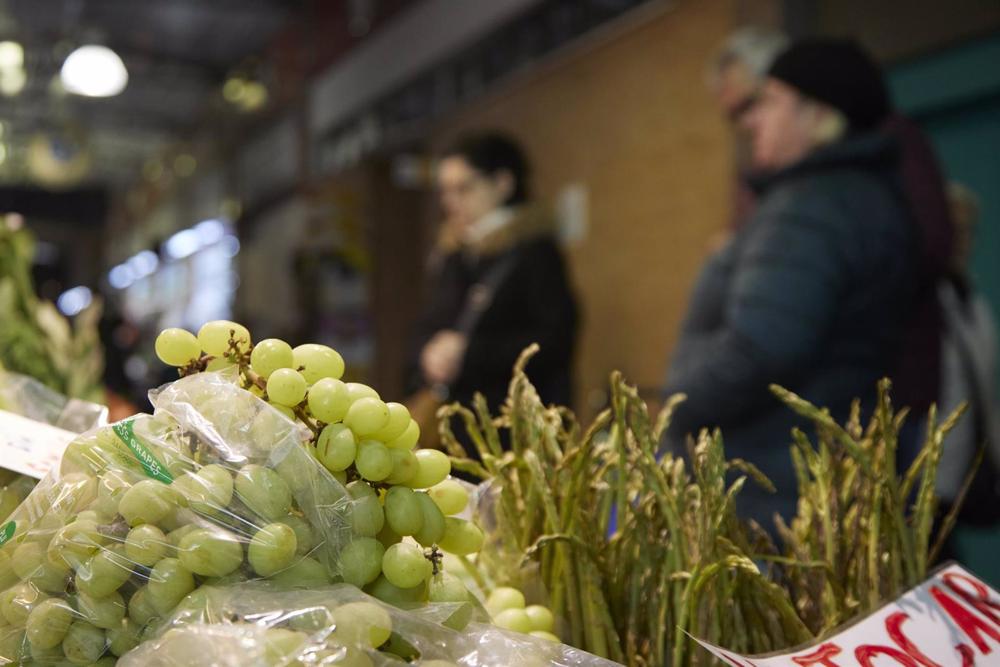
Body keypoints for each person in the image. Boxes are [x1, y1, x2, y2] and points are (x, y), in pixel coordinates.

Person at [662, 39, 918, 527]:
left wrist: (677, 405)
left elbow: (760, 348)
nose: (753, 119)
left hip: (771, 486)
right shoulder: (864, 194)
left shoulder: (809, 208)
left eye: (771, 101)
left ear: (819, 116)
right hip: (814, 475)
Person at [406, 131, 578, 452]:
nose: (451, 202)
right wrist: (427, 353)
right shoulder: (455, 254)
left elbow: (554, 341)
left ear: (503, 183)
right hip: (454, 427)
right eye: (445, 191)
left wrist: (468, 353)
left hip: (512, 433)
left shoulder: (535, 253)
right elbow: (430, 322)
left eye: (464, 188)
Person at [935, 183, 1000, 529]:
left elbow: (984, 392)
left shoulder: (973, 305)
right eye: (954, 229)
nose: (962, 241)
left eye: (968, 231)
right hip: (924, 475)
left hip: (965, 476)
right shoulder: (920, 305)